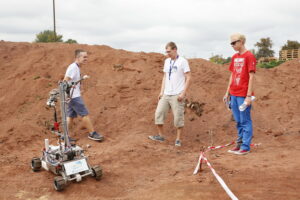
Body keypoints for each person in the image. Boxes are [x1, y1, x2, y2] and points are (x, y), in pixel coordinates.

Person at [149, 42, 191, 147]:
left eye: (169, 51)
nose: (167, 54)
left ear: (175, 49)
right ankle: (161, 136)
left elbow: (189, 77)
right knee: (158, 113)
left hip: (177, 94)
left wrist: (183, 93)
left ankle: (178, 139)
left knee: (178, 118)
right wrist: (161, 91)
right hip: (166, 94)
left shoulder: (183, 61)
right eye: (166, 52)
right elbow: (164, 76)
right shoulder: (167, 61)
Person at [223, 33, 256, 155]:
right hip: (234, 93)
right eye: (231, 43)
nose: (232, 45)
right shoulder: (234, 57)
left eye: (234, 42)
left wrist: (248, 96)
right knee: (238, 121)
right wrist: (227, 93)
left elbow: (251, 77)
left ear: (241, 41)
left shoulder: (249, 56)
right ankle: (240, 143)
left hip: (243, 94)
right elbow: (232, 75)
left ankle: (245, 147)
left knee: (245, 120)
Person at [64, 49, 104, 141]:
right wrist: (69, 93)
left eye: (87, 57)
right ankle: (92, 133)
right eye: (84, 57)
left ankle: (66, 136)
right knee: (84, 114)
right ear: (78, 58)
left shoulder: (76, 67)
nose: (86, 59)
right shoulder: (73, 67)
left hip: (72, 95)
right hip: (73, 96)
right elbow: (65, 81)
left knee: (70, 116)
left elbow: (71, 81)